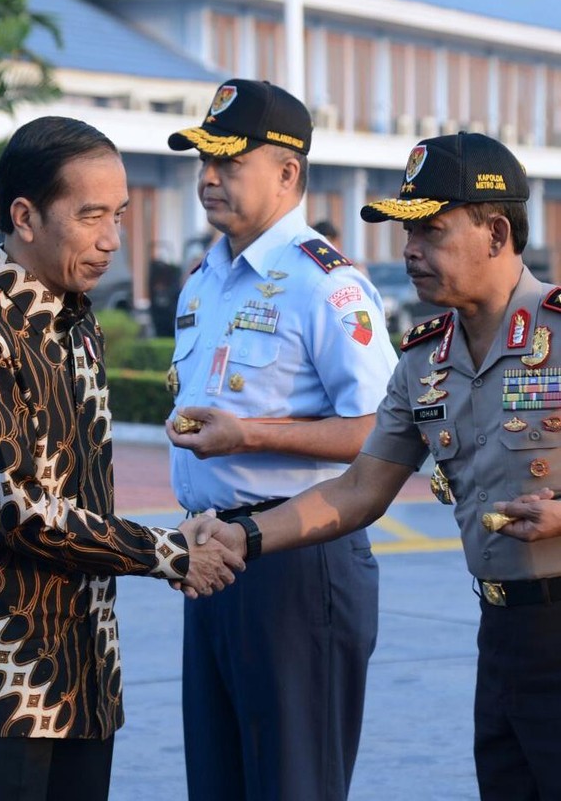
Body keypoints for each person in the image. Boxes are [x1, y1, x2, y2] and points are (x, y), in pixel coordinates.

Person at [196, 130, 561, 800]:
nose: (410, 251)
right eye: (406, 233)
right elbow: (360, 487)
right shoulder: (424, 361)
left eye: (432, 231)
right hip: (503, 636)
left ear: (497, 231)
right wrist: (246, 535)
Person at [0, 115, 243, 801]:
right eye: (90, 215)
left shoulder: (77, 322)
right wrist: (169, 551)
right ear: (25, 215)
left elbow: (81, 503)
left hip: (83, 679)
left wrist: (179, 535)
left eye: (118, 215)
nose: (111, 240)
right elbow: (21, 510)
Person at [165, 78, 398, 801]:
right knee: (220, 781)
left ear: (288, 172)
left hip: (298, 561)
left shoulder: (324, 285)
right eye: (204, 158)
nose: (208, 176)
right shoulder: (203, 279)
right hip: (209, 554)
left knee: (293, 784)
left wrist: (248, 435)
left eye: (229, 161)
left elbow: (383, 433)